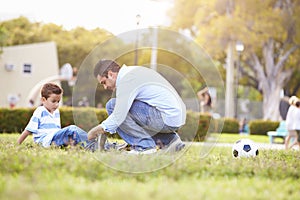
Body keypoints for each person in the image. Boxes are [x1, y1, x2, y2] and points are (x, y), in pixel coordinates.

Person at [87, 59, 186, 154]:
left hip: (165, 117)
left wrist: (95, 131)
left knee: (112, 106)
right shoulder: (132, 72)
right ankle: (170, 141)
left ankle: (144, 147)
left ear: (110, 74)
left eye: (104, 82)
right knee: (123, 107)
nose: (105, 87)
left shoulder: (127, 79)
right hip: (172, 117)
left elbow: (119, 115)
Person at [17, 83, 90, 148]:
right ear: (43, 100)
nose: (57, 104)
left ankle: (89, 144)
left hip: (54, 139)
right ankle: (91, 142)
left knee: (73, 135)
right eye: (53, 101)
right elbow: (28, 130)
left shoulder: (56, 112)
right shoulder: (40, 111)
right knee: (72, 128)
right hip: (45, 141)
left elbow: (57, 130)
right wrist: (18, 143)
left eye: (58, 101)